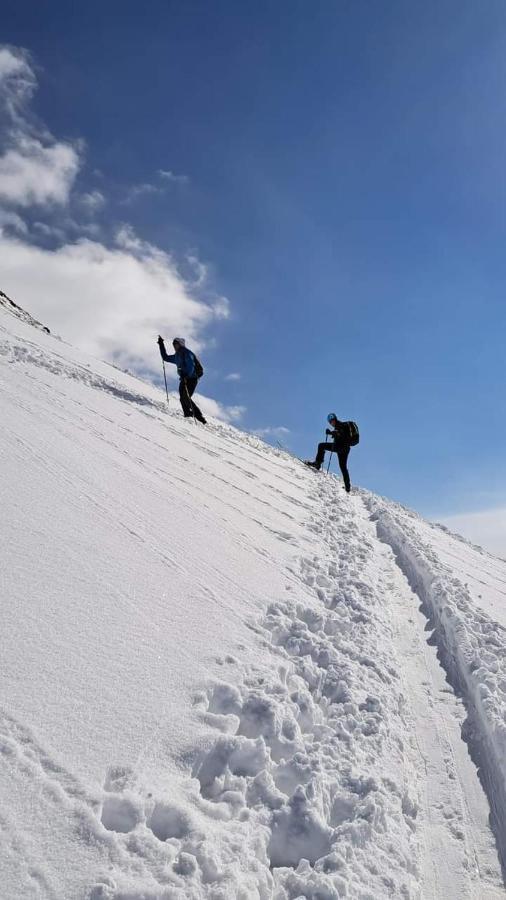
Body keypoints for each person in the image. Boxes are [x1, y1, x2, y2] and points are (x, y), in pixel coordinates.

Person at [157, 336, 206, 423]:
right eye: (174, 345)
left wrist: (186, 376)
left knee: (186, 397)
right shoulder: (176, 356)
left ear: (181, 344)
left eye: (176, 344)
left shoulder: (187, 353)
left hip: (192, 378)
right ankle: (187, 414)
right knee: (182, 398)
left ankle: (199, 417)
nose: (175, 346)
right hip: (184, 378)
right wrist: (161, 345)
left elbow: (191, 366)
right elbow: (165, 358)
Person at [306, 413, 352, 491]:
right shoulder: (339, 426)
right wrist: (332, 433)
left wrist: (333, 433)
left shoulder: (340, 425)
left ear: (335, 419)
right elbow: (339, 434)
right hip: (345, 449)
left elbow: (340, 433)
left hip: (340, 447)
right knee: (343, 467)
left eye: (332, 421)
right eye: (330, 422)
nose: (331, 423)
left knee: (321, 445)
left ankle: (318, 463)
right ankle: (347, 487)